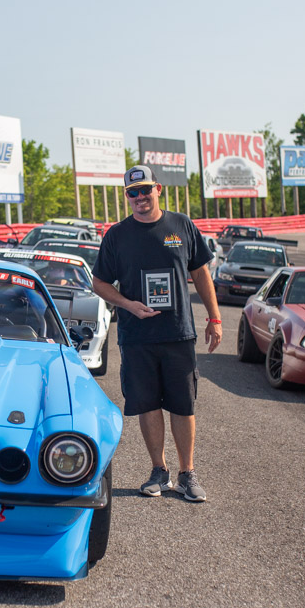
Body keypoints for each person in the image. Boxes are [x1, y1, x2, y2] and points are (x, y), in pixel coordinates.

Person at [91, 165, 222, 502]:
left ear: (158, 189)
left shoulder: (181, 225)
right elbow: (99, 282)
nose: (139, 198)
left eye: (145, 190)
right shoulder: (117, 235)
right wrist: (128, 305)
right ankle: (158, 471)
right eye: (132, 192)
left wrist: (215, 317)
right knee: (148, 405)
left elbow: (201, 272)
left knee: (183, 405)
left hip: (178, 333)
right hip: (137, 336)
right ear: (126, 196)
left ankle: (187, 474)